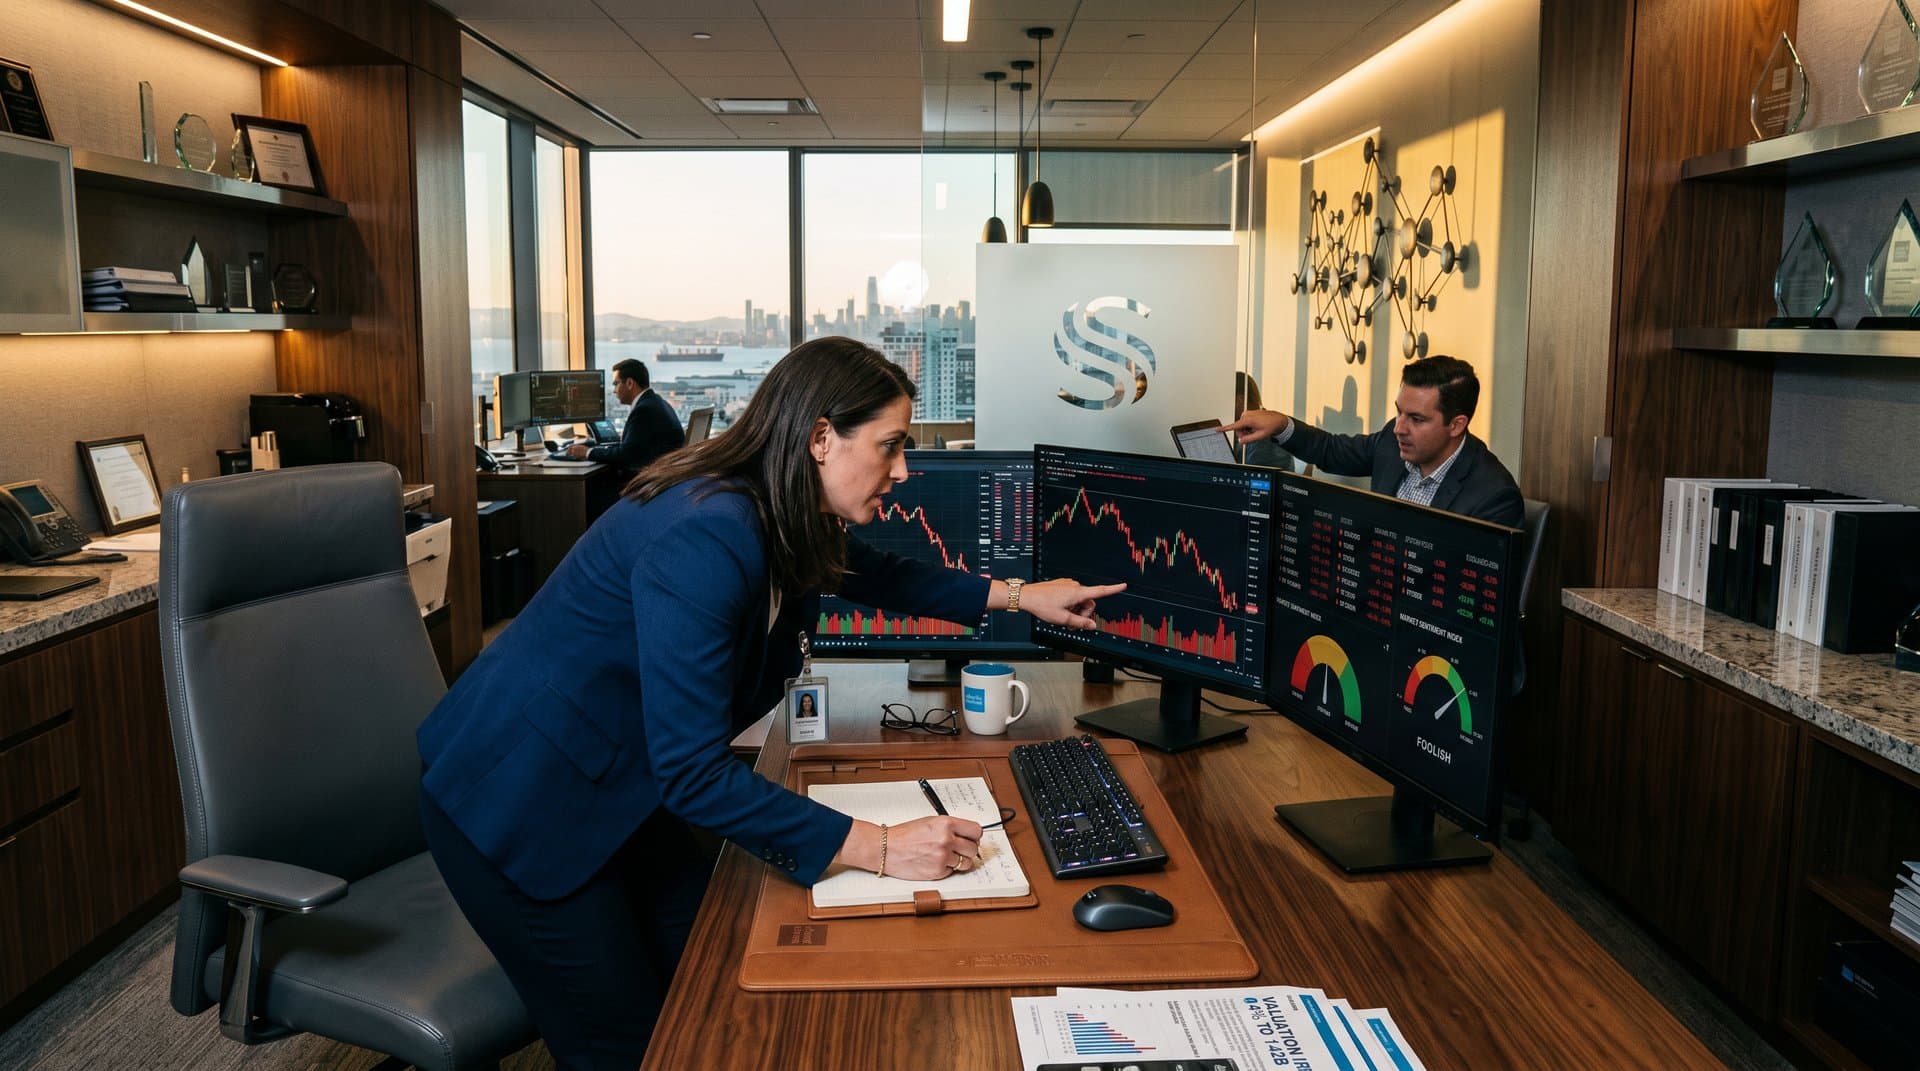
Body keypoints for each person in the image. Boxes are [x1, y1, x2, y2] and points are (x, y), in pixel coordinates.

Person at [418, 337, 1125, 1069]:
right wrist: (883, 847)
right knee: (629, 1046)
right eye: (890, 446)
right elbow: (693, 774)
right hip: (517, 802)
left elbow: (884, 576)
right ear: (821, 438)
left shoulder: (780, 508)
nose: (903, 471)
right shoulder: (707, 530)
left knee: (712, 978)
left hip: (618, 780)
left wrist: (1021, 596)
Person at [1223, 354, 1522, 528]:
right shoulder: (1392, 441)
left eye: (1416, 419)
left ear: (1456, 425)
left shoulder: (1494, 497)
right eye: (1399, 412)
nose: (1399, 428)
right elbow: (1332, 450)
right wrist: (1281, 424)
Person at [567, 358, 683, 472]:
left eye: (616, 384)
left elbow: (626, 455)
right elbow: (634, 447)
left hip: (648, 477)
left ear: (629, 383)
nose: (614, 390)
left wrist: (587, 452)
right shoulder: (657, 402)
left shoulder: (644, 410)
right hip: (663, 473)